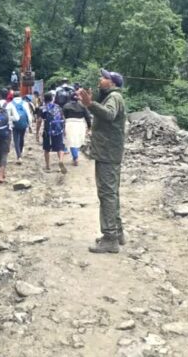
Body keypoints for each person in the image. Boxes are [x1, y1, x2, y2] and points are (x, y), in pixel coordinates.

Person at [78, 69, 127, 254]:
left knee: (107, 194)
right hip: (109, 153)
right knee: (112, 193)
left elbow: (109, 114)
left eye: (104, 78)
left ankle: (110, 238)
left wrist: (90, 104)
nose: (101, 79)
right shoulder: (112, 97)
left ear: (112, 83)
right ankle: (117, 232)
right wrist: (91, 104)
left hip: (108, 154)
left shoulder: (114, 97)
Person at [40, 93, 67, 174]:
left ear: (44, 99)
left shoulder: (43, 108)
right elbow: (63, 119)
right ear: (52, 99)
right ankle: (61, 161)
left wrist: (37, 132)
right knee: (60, 147)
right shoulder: (58, 107)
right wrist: (64, 129)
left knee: (46, 149)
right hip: (58, 130)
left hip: (47, 131)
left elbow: (39, 120)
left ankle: (48, 166)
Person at [63, 93, 92, 166]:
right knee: (78, 141)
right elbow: (87, 117)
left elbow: (63, 117)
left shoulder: (66, 106)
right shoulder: (82, 106)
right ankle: (75, 156)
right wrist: (89, 127)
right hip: (80, 125)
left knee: (72, 141)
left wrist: (63, 127)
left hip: (69, 124)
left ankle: (75, 157)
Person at [10, 91, 33, 164]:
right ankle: (21, 152)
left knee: (16, 140)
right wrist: (30, 125)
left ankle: (18, 156)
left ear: (13, 96)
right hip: (23, 123)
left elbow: (9, 116)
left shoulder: (10, 104)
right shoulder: (25, 103)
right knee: (22, 138)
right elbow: (28, 114)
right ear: (20, 96)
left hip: (15, 124)